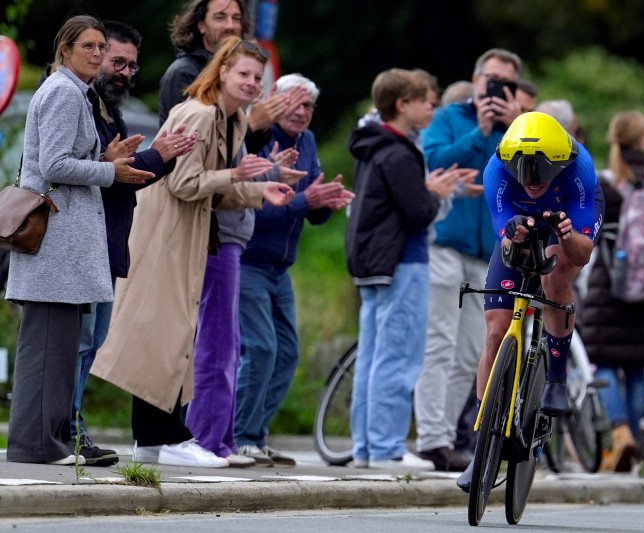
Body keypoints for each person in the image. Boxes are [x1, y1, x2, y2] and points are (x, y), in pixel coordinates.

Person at [91, 36, 295, 468]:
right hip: (166, 235)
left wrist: (260, 189)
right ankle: (165, 438)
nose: (251, 83)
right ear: (221, 71)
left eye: (257, 77)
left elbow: (215, 191)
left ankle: (158, 439)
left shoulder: (231, 119)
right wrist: (235, 175)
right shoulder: (200, 115)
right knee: (163, 337)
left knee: (172, 336)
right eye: (243, 74)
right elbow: (183, 184)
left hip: (190, 234)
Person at [4, 15, 154, 465]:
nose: (95, 53)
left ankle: (45, 442)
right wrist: (111, 171)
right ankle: (38, 446)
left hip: (62, 247)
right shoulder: (64, 92)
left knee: (57, 347)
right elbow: (52, 164)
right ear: (64, 49)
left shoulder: (72, 91)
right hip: (56, 246)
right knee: (50, 348)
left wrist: (103, 159)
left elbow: (63, 159)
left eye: (99, 46)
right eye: (86, 46)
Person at [68, 20, 197, 468]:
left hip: (110, 242)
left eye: (130, 66)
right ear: (94, 54)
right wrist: (153, 157)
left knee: (94, 338)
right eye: (116, 61)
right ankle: (69, 429)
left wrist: (160, 156)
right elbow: (79, 172)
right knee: (82, 340)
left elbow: (123, 180)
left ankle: (71, 427)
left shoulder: (111, 111)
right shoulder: (77, 103)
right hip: (81, 243)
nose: (124, 72)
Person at [457, 111, 602, 490]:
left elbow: (583, 253)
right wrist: (515, 234)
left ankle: (556, 377)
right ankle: (482, 443)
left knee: (555, 278)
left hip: (566, 221)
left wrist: (567, 236)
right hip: (519, 225)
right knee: (495, 331)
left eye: (541, 179)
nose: (534, 186)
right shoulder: (496, 171)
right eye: (526, 178)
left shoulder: (578, 169)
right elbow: (503, 239)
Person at [234, 73, 354, 466]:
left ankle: (256, 433)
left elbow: (310, 214)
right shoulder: (258, 138)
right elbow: (255, 207)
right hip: (249, 258)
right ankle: (240, 435)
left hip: (280, 265)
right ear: (275, 101)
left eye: (308, 106)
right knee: (262, 348)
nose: (302, 113)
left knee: (287, 352)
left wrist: (323, 202)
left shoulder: (308, 141)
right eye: (295, 104)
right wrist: (306, 200)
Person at [346, 68, 463, 469]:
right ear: (402, 105)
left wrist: (426, 190)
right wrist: (436, 194)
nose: (430, 107)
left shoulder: (373, 146)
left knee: (374, 356)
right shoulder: (399, 151)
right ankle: (386, 448)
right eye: (424, 102)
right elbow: (417, 213)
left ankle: (366, 447)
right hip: (402, 261)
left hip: (374, 263)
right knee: (399, 355)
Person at [414, 48, 524, 472]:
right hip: (445, 243)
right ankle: (431, 439)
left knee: (470, 352)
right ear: (476, 80)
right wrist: (479, 132)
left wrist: (512, 124)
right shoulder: (449, 117)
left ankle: (445, 435)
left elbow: (530, 176)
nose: (495, 89)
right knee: (438, 342)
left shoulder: (519, 129)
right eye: (490, 80)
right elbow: (434, 162)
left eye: (505, 83)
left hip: (490, 251)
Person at [581, 111, 644, 472]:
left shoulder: (602, 183)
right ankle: (632, 442)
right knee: (638, 367)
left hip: (611, 289)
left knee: (603, 362)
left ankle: (621, 433)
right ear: (643, 140)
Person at [159, 0, 301, 154]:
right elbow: (189, 147)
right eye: (220, 18)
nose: (230, 26)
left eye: (236, 18)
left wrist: (264, 123)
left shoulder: (242, 73)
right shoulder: (183, 73)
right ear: (201, 25)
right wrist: (251, 123)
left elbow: (243, 153)